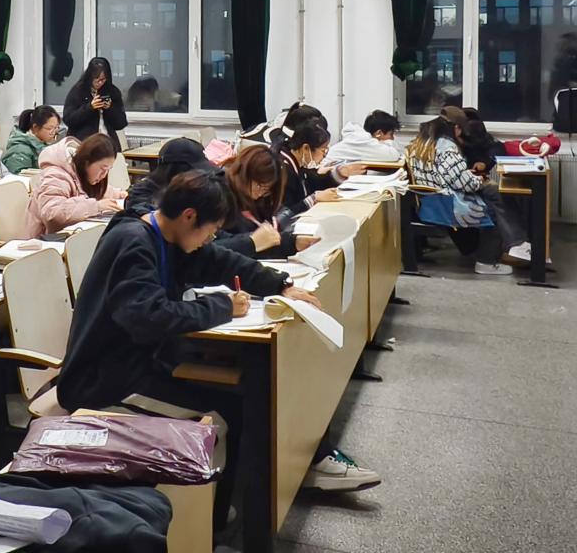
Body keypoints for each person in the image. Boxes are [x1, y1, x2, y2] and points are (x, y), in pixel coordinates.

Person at [57, 171, 374, 533]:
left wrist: (280, 285)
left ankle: (226, 503)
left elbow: (222, 261)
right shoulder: (134, 243)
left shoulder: (168, 236)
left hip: (140, 361)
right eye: (210, 230)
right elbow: (148, 317)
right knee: (229, 410)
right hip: (103, 380)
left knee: (243, 395)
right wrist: (223, 307)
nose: (210, 238)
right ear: (189, 216)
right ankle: (213, 521)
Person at [406, 111, 528, 275]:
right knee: (494, 208)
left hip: (427, 200)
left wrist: (470, 176)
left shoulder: (420, 143)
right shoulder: (447, 147)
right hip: (445, 204)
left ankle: (515, 244)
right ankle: (489, 260)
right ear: (456, 128)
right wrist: (479, 179)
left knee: (494, 194)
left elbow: (446, 175)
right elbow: (462, 183)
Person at [217, 144, 317, 259]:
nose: (260, 194)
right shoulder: (220, 197)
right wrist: (252, 242)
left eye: (266, 190)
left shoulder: (257, 199)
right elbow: (216, 248)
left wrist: (293, 243)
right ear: (245, 173)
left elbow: (262, 242)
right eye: (259, 186)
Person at [24, 134, 126, 237]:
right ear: (87, 162)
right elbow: (53, 213)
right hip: (45, 240)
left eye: (108, 170)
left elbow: (98, 191)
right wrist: (95, 206)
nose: (104, 175)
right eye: (102, 169)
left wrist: (120, 194)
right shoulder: (55, 175)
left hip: (70, 236)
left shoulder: (83, 173)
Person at [275, 121, 365, 221]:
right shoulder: (284, 170)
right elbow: (285, 213)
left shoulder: (297, 163)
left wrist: (339, 173)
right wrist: (314, 198)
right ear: (306, 148)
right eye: (323, 150)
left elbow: (313, 181)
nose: (324, 156)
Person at [125, 137, 217, 216]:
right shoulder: (142, 196)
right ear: (178, 171)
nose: (200, 177)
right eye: (195, 172)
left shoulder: (192, 190)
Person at [63, 57, 128, 152]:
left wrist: (110, 108)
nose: (100, 83)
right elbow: (68, 119)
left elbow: (121, 123)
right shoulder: (78, 91)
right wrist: (90, 107)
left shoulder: (112, 91)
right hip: (84, 144)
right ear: (90, 76)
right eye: (96, 79)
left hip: (108, 142)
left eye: (103, 79)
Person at [325, 110, 404, 166]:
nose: (392, 138)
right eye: (391, 134)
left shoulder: (360, 138)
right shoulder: (363, 141)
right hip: (327, 179)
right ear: (378, 133)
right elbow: (394, 155)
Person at [3, 106, 60, 175]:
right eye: (49, 128)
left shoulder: (42, 144)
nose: (54, 133)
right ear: (35, 127)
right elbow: (18, 177)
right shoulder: (20, 150)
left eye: (56, 128)